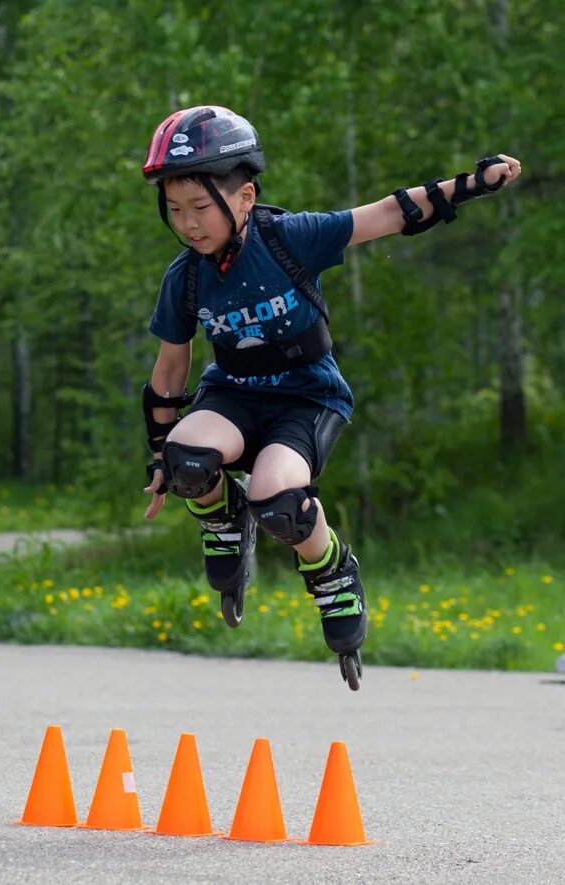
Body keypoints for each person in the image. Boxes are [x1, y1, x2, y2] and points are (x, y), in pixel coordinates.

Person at [140, 105, 521, 690]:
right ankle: (222, 521)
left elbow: (391, 214)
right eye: (174, 211)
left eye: (199, 208)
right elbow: (172, 364)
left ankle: (333, 574)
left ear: (244, 198)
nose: (188, 224)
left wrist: (469, 185)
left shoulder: (290, 237)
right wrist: (161, 454)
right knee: (187, 460)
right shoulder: (185, 277)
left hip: (307, 399)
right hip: (234, 397)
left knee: (279, 504)